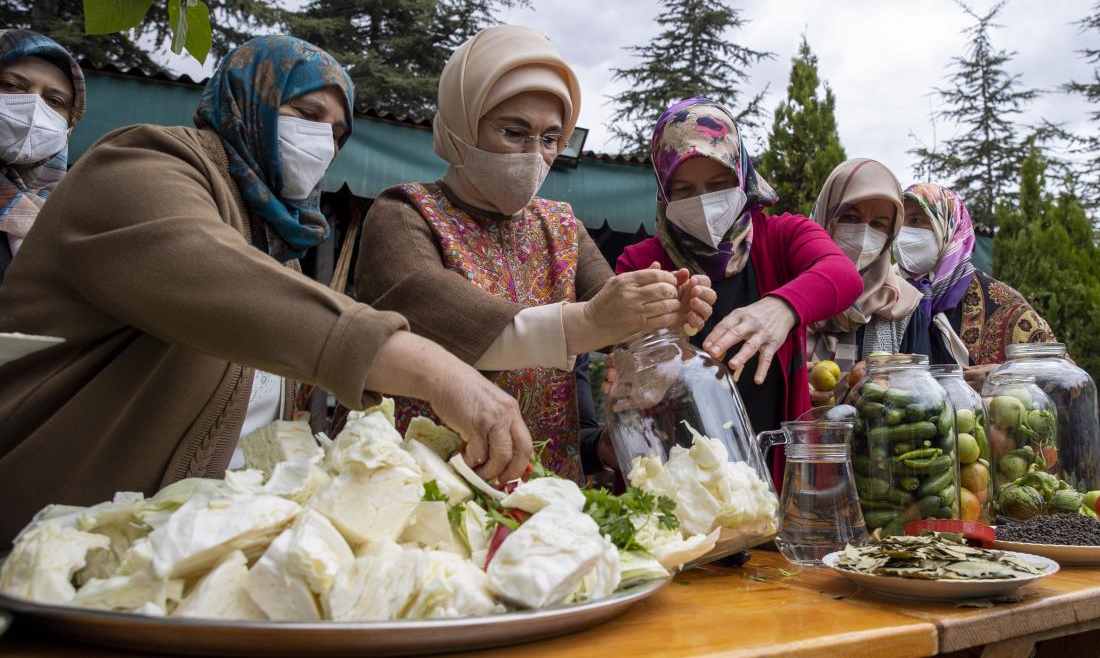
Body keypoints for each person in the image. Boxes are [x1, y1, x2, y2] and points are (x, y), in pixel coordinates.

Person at [0, 36, 529, 544]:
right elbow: (206, 274)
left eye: (337, 131)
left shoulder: (277, 245)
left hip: (171, 556)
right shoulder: (138, 163)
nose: (322, 141)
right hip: (52, 544)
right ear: (246, 100)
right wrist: (434, 370)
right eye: (305, 113)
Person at [355, 26, 710, 482]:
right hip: (426, 485)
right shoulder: (404, 213)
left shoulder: (561, 226)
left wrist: (661, 313)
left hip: (544, 488)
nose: (534, 155)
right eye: (514, 131)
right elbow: (439, 318)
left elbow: (612, 314)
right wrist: (588, 322)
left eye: (549, 139)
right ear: (463, 122)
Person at [613, 97, 862, 442]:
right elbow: (624, 356)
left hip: (772, 461)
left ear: (742, 175)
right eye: (684, 190)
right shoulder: (641, 263)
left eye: (718, 185)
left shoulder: (783, 236)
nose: (702, 201)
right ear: (663, 192)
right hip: (672, 472)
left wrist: (783, 307)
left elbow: (842, 275)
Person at [898, 182, 1055, 390]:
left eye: (917, 220)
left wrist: (1003, 379)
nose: (903, 233)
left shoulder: (1002, 303)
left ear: (948, 228)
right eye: (899, 222)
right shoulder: (886, 296)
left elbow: (1062, 373)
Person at [806, 158, 926, 402]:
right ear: (826, 215)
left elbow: (922, 400)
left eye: (878, 224)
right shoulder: (787, 294)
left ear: (891, 233)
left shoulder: (902, 306)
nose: (862, 235)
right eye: (850, 217)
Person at [0, 29, 85, 286]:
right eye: (12, 85)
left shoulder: (68, 216)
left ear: (69, 124)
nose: (33, 106)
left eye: (54, 100)